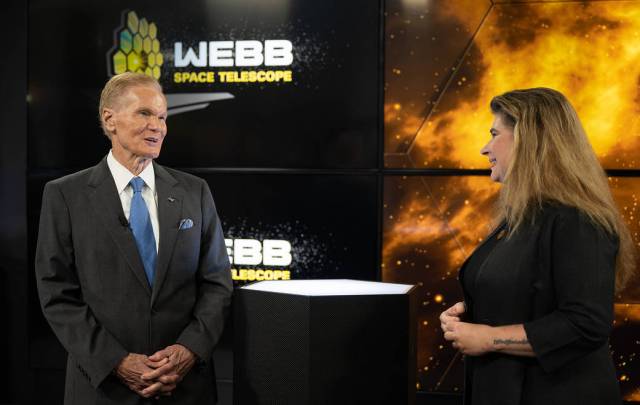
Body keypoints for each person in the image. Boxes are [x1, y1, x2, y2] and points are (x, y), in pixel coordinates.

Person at [35, 72, 233, 404]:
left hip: (184, 387)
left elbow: (217, 283)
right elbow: (57, 293)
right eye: (144, 113)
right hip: (103, 389)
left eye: (162, 117)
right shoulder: (65, 196)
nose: (158, 126)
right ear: (109, 119)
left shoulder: (194, 192)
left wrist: (188, 350)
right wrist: (117, 362)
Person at [439, 88, 635, 405]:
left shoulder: (578, 220)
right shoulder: (523, 217)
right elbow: (527, 295)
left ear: (529, 140)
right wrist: (471, 314)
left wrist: (488, 338)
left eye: (494, 134)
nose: (484, 148)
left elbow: (585, 324)